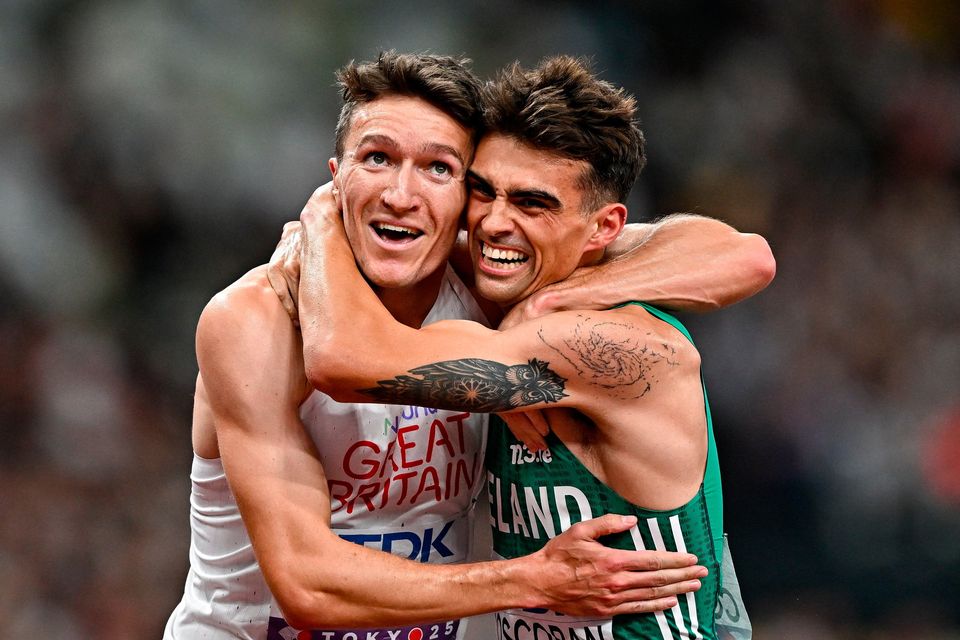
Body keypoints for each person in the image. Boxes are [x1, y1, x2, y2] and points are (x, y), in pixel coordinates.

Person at [164, 52, 772, 640]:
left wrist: (551, 306)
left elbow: (742, 255)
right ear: (337, 176)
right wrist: (530, 580)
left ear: (458, 198)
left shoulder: (493, 284)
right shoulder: (254, 319)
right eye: (376, 159)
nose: (401, 194)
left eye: (437, 169)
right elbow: (309, 587)